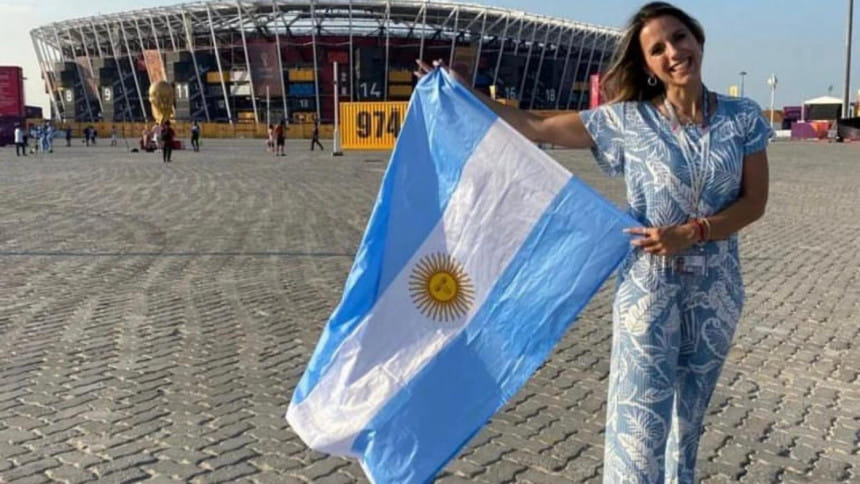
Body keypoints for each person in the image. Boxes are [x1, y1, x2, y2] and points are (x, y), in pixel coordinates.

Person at [415, 3, 771, 483]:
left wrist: (693, 232)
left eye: (679, 37)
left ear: (697, 39)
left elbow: (754, 202)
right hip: (650, 291)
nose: (673, 52)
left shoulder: (742, 117)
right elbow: (537, 126)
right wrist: (465, 94)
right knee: (639, 421)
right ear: (648, 66)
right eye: (657, 49)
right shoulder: (628, 121)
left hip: (717, 292)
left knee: (689, 422)